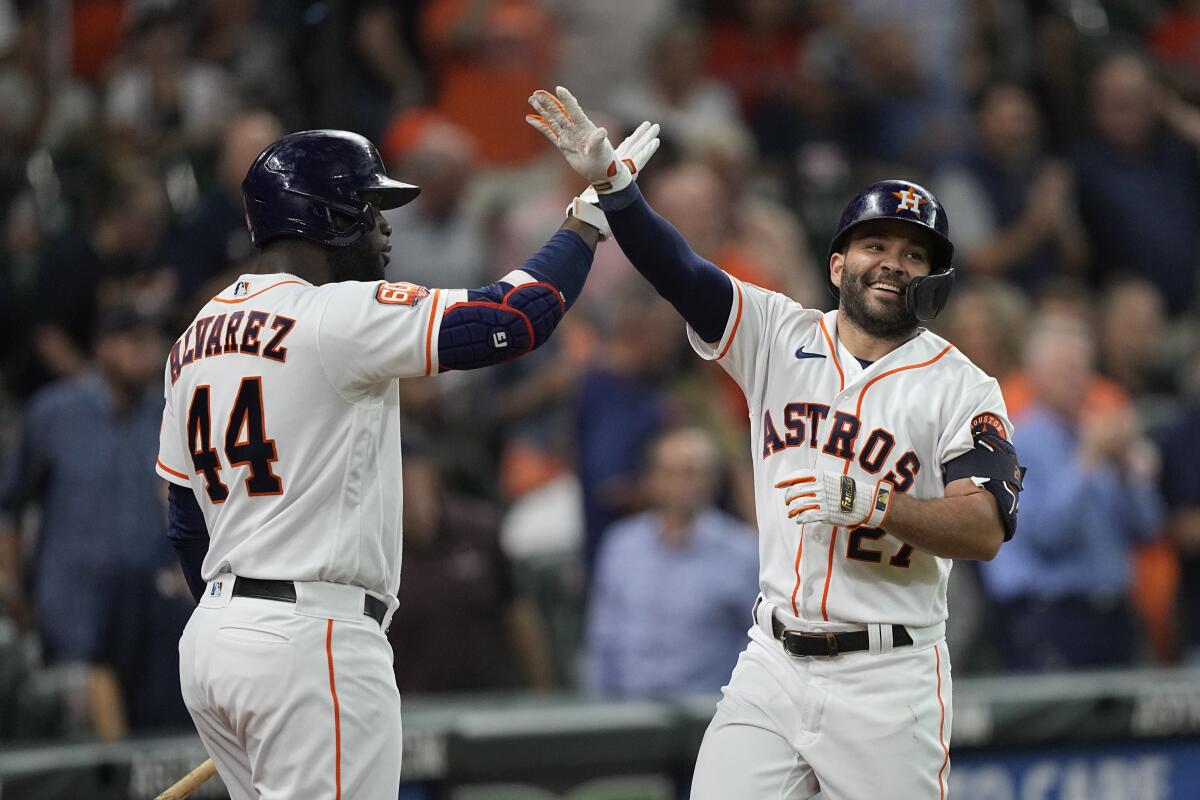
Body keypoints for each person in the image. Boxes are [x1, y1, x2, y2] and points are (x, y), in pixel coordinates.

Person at [528, 86, 1024, 799]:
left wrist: (874, 501)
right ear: (836, 265)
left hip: (889, 677)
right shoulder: (779, 333)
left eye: (914, 254)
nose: (892, 262)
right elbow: (681, 272)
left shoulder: (963, 387)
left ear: (933, 278)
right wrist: (616, 189)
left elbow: (983, 529)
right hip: (773, 661)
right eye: (875, 244)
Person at [155, 125, 657, 799]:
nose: (386, 233)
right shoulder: (333, 314)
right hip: (311, 635)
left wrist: (243, 630)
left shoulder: (195, 336)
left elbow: (187, 519)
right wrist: (593, 212)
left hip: (218, 637)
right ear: (324, 218)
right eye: (370, 210)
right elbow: (515, 317)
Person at [980, 318, 1163, 671]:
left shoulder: (1097, 434)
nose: (1077, 379)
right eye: (1065, 369)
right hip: (1051, 618)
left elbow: (1149, 527)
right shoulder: (1014, 444)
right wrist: (1089, 461)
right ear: (1035, 375)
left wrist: (1127, 470)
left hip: (1114, 615)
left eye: (1082, 368)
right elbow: (1048, 533)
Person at [585, 426, 758, 697]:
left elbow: (755, 642)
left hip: (708, 714)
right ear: (651, 479)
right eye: (670, 473)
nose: (681, 483)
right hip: (628, 714)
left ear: (712, 480)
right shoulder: (621, 545)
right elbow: (603, 637)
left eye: (691, 472)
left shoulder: (743, 551)